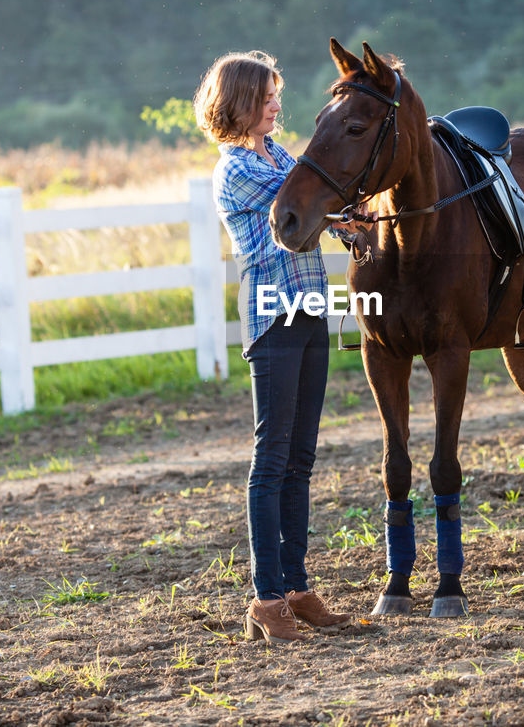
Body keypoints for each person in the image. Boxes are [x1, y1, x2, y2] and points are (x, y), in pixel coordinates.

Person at [195, 50, 356, 644]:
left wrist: (357, 224)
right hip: (273, 317)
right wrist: (346, 210)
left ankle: (297, 587)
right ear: (239, 102)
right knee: (272, 459)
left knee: (300, 460)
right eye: (266, 96)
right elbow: (316, 199)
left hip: (310, 310)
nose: (276, 104)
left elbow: (327, 211)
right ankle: (266, 597)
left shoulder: (283, 154)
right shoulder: (237, 168)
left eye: (275, 95)